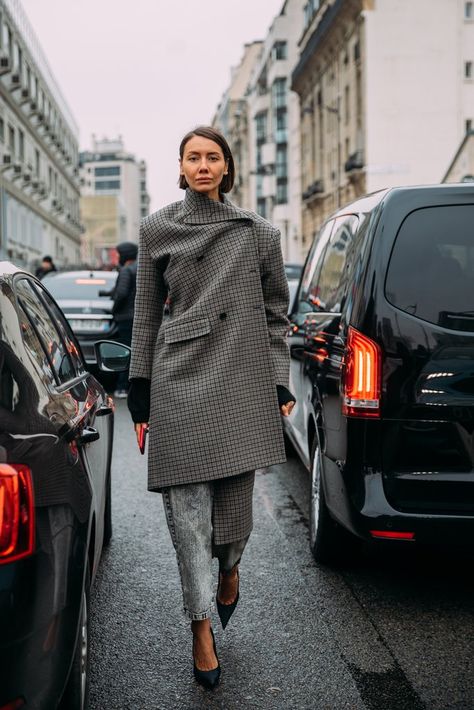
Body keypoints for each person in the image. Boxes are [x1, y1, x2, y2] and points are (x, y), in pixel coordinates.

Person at [126, 126, 295, 689]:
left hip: (241, 383)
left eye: (212, 157)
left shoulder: (258, 234)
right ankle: (201, 631)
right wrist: (140, 392)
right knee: (186, 521)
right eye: (192, 157)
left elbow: (276, 316)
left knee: (232, 518)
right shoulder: (158, 230)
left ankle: (230, 570)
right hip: (178, 383)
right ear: (180, 166)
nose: (202, 165)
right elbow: (146, 316)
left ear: (227, 167)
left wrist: (278, 383)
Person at [108, 241, 138, 398]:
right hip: (137, 316)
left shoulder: (126, 270)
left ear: (125, 254)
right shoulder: (140, 268)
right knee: (136, 351)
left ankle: (122, 387)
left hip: (126, 317)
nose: (117, 257)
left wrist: (114, 309)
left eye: (119, 254)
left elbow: (121, 293)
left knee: (124, 351)